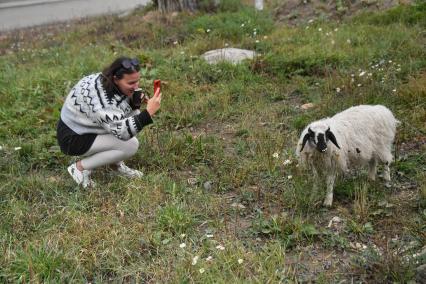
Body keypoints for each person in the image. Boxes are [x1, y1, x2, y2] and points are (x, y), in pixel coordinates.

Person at [56, 56, 162, 188]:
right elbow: (122, 132)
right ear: (116, 79)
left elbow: (122, 118)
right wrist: (148, 113)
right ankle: (79, 168)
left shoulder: (107, 82)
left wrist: (134, 104)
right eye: (131, 83)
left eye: (137, 81)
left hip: (86, 128)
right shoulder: (102, 100)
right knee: (130, 145)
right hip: (73, 138)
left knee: (129, 134)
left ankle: (115, 165)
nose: (136, 87)